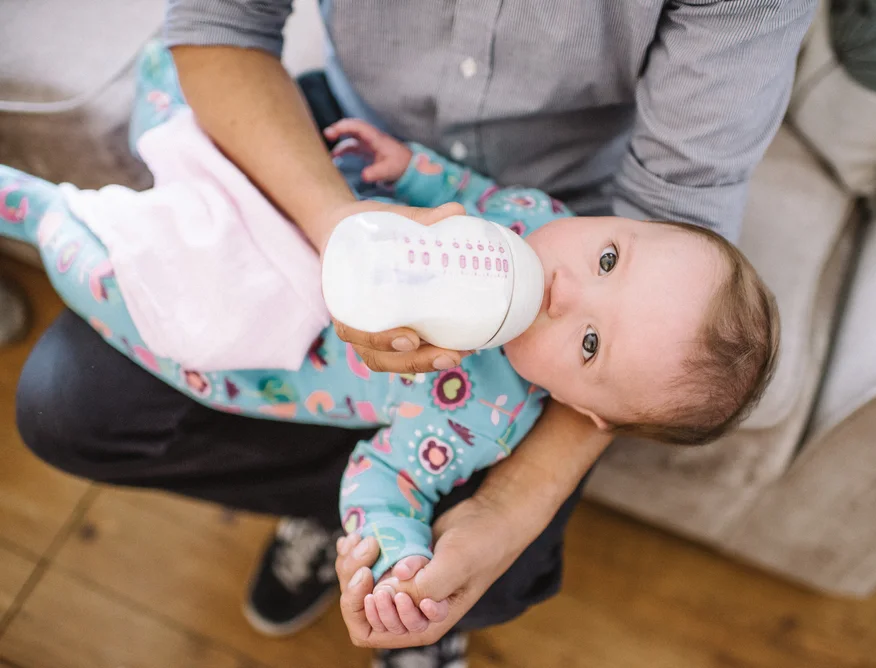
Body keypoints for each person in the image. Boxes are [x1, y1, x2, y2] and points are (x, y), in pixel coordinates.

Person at [16, 0, 815, 664]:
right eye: (607, 257)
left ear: (587, 405)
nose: (565, 290)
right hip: (338, 149)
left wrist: (411, 544)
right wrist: (398, 180)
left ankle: (369, 571)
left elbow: (390, 475)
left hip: (301, 361)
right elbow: (486, 196)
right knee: (66, 405)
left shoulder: (479, 416)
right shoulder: (547, 226)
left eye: (590, 346)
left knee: (494, 577)